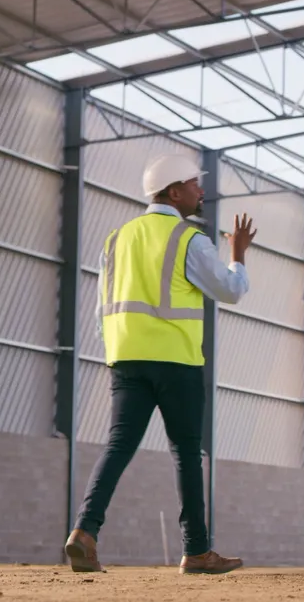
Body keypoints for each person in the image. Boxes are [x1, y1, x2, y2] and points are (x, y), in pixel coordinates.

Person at [64, 153, 254, 575]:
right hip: (176, 361)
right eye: (193, 183)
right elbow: (230, 290)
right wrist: (238, 253)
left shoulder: (118, 238)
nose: (200, 190)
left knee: (118, 446)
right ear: (173, 192)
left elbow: (101, 308)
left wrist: (119, 348)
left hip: (126, 358)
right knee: (187, 453)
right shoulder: (188, 239)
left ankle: (84, 531)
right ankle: (197, 551)